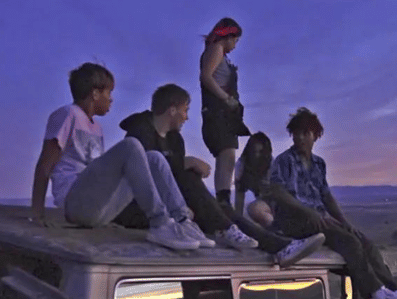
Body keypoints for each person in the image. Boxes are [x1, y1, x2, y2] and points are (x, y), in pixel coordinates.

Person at [112, 84, 326, 268]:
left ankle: (281, 246)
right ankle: (227, 230)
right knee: (189, 175)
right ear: (172, 110)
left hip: (173, 209)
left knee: (220, 208)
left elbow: (173, 179)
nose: (187, 116)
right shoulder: (139, 133)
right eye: (185, 110)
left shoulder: (175, 139)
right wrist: (186, 162)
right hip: (141, 209)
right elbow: (145, 174)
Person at [266, 107, 397, 299]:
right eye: (296, 133)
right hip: (294, 220)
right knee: (349, 242)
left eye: (305, 133)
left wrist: (344, 222)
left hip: (318, 219)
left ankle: (395, 291)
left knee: (365, 242)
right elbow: (277, 192)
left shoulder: (319, 164)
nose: (299, 138)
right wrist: (308, 211)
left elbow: (326, 196)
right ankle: (378, 295)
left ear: (315, 135)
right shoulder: (284, 161)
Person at [29, 63, 209, 251]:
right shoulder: (68, 114)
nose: (111, 100)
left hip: (98, 212)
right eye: (108, 93)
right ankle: (160, 223)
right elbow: (45, 164)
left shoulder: (96, 128)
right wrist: (37, 212)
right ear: (95, 94)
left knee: (154, 157)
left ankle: (183, 221)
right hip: (75, 203)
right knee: (131, 146)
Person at [200, 17, 250, 207]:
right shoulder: (216, 48)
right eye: (235, 40)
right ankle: (224, 204)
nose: (235, 46)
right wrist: (226, 98)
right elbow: (205, 76)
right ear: (227, 36)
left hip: (223, 115)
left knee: (226, 157)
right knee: (227, 155)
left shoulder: (221, 53)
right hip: (217, 113)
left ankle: (223, 202)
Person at [234, 132, 275, 228]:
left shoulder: (272, 165)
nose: (256, 156)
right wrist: (238, 222)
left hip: (279, 204)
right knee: (253, 209)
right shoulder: (242, 164)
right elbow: (239, 195)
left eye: (260, 152)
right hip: (265, 206)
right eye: (253, 152)